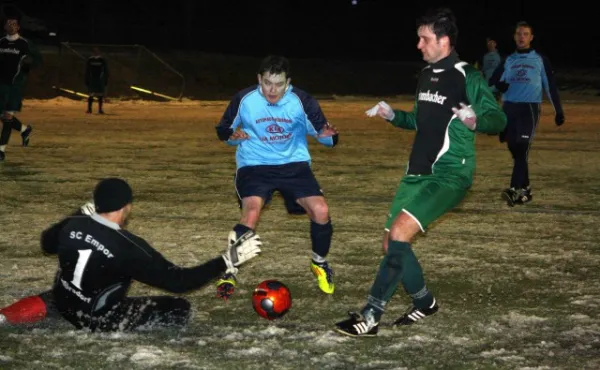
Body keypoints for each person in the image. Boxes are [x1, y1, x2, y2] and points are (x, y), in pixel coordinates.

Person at [333, 7, 507, 337]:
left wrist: (477, 120)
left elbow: (499, 120)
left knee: (399, 234)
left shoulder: (467, 76)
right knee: (390, 243)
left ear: (444, 40)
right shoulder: (427, 75)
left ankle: (371, 315)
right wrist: (392, 115)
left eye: (424, 39)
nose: (418, 45)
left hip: (449, 175)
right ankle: (425, 302)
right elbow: (419, 120)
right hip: (417, 172)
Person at [0, 178, 262, 332]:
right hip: (97, 319)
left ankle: (6, 315)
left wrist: (79, 213)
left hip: (65, 301)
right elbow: (179, 282)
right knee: (179, 308)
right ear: (126, 207)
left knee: (60, 297)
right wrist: (227, 260)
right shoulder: (128, 247)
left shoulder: (73, 224)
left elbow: (46, 243)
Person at [214, 55, 339, 299]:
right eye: (267, 83)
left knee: (321, 210)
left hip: (294, 164)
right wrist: (232, 136)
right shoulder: (245, 99)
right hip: (255, 164)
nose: (273, 90)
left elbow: (323, 134)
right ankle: (230, 270)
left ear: (288, 83)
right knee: (251, 213)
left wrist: (329, 136)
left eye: (279, 84)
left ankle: (320, 263)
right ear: (259, 79)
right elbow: (223, 130)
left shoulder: (302, 101)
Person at [489, 21, 565, 207]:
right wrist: (499, 85)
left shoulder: (540, 59)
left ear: (531, 38)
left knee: (522, 147)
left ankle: (514, 189)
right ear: (514, 37)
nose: (521, 37)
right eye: (518, 34)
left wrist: (559, 111)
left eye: (525, 34)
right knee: (515, 150)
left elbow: (550, 86)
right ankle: (526, 189)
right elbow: (492, 80)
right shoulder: (508, 60)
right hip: (509, 108)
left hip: (528, 109)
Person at [0, 15, 42, 162]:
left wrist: (28, 65)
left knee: (7, 118)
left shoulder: (25, 43)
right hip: (1, 85)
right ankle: (25, 130)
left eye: (14, 24)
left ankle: (1, 150)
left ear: (18, 27)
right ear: (5, 27)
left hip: (14, 86)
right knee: (3, 115)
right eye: (8, 23)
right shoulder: (1, 42)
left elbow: (38, 59)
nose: (11, 26)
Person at [84, 47, 109, 114]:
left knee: (100, 94)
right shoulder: (90, 59)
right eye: (94, 51)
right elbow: (87, 70)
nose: (95, 52)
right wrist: (87, 78)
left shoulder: (101, 60)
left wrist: (105, 78)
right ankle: (90, 109)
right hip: (93, 78)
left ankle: (99, 109)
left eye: (96, 51)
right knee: (91, 94)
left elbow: (105, 70)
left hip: (99, 79)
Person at [482, 37, 502, 102]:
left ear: (495, 44)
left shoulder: (499, 55)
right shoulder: (485, 56)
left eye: (491, 43)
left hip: (497, 86)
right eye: (488, 43)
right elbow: (483, 71)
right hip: (487, 86)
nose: (490, 45)